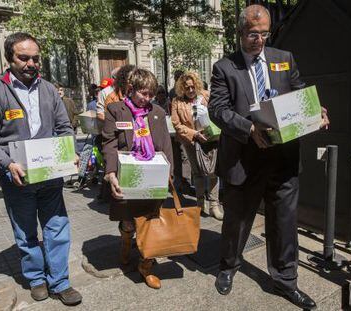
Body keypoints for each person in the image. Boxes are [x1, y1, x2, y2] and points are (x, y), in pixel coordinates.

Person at [209, 5, 329, 310]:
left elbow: (299, 92)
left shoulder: (283, 59)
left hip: (283, 158)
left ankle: (285, 281)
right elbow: (218, 110)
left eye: (264, 34)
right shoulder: (225, 67)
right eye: (253, 34)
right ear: (239, 33)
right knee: (237, 221)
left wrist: (315, 110)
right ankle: (228, 266)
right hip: (244, 158)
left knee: (284, 223)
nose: (259, 40)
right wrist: (248, 128)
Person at [0, 32, 82, 306]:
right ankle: (36, 278)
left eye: (35, 58)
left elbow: (64, 128)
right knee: (25, 232)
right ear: (9, 58)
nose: (31, 63)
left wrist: (69, 152)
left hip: (50, 176)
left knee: (57, 227)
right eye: (23, 58)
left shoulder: (48, 89)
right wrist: (8, 163)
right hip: (17, 178)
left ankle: (60, 282)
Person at [103, 68, 173, 289]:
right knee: (128, 222)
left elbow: (165, 144)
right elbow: (109, 143)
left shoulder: (158, 112)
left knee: (150, 222)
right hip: (127, 176)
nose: (147, 99)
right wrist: (111, 173)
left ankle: (146, 265)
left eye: (151, 94)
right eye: (144, 93)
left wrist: (169, 174)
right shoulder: (116, 110)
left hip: (152, 176)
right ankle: (125, 242)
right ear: (131, 89)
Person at [171, 71, 223, 220]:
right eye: (187, 88)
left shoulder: (206, 95)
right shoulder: (177, 102)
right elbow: (176, 124)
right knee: (197, 173)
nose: (191, 90)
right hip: (192, 141)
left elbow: (218, 112)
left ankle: (214, 205)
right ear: (182, 88)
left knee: (213, 172)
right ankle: (200, 204)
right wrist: (194, 133)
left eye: (193, 87)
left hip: (211, 139)